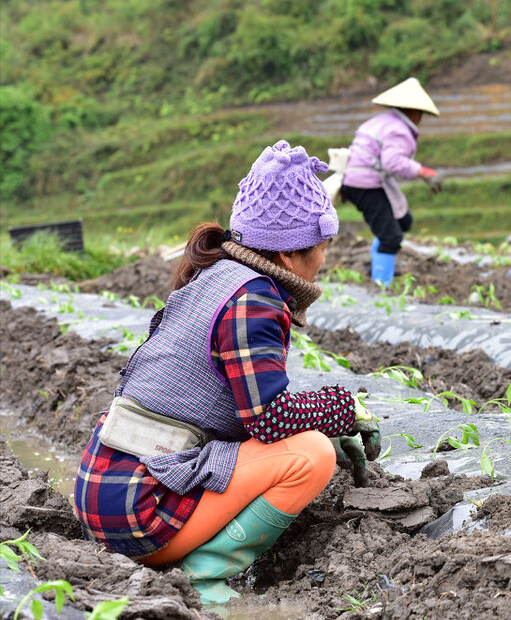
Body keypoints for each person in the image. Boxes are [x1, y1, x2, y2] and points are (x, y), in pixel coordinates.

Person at [73, 141, 382, 605]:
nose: (324, 259)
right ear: (286, 255)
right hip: (139, 514)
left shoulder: (217, 277)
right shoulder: (253, 300)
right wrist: (340, 410)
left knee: (307, 436)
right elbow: (268, 418)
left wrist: (317, 416)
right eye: (323, 245)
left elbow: (244, 411)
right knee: (314, 454)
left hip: (104, 492)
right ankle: (203, 576)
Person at [341, 77, 444, 286]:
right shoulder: (399, 129)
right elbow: (392, 162)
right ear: (414, 112)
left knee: (403, 221)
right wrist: (424, 172)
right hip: (364, 183)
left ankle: (379, 261)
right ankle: (381, 284)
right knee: (390, 236)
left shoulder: (383, 121)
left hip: (362, 179)